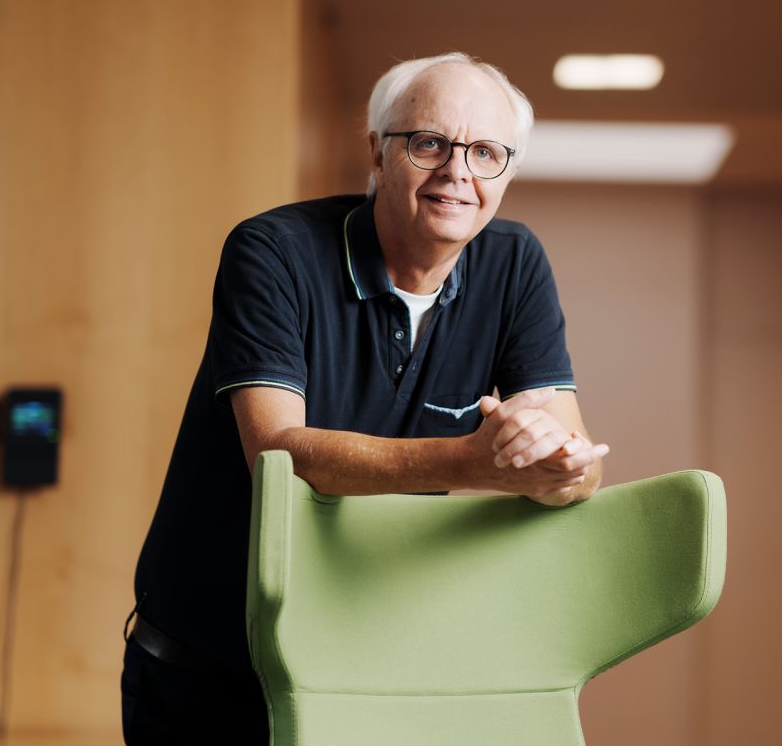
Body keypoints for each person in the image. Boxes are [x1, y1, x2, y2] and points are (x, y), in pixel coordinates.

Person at [120, 52, 609, 743]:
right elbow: (278, 455)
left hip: (370, 659)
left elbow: (574, 459)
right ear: (378, 153)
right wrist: (476, 463)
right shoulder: (273, 252)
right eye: (429, 143)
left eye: (486, 152)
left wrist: (560, 469)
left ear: (509, 171)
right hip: (213, 666)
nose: (457, 172)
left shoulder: (513, 263)